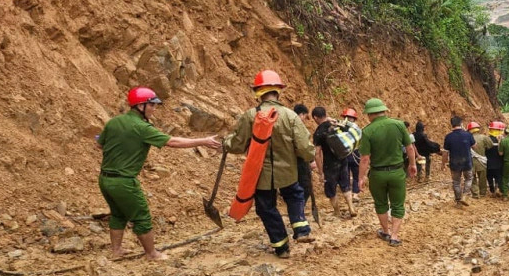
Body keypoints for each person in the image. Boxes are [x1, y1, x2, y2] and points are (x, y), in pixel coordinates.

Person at [98, 87, 221, 261]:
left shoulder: (113, 122)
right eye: (152, 105)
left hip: (104, 179)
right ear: (141, 106)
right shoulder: (142, 127)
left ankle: (116, 251)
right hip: (124, 182)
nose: (154, 109)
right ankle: (151, 253)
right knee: (142, 216)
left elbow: (100, 144)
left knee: (118, 214)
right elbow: (173, 141)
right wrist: (203, 141)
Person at [225, 70, 316, 258]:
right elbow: (305, 147)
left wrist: (225, 143)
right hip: (288, 172)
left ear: (258, 92)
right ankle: (301, 229)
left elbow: (237, 144)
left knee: (266, 208)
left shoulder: (250, 115)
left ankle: (281, 247)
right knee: (295, 195)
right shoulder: (290, 116)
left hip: (261, 175)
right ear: (278, 91)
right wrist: (308, 158)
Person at [358, 98, 417, 246]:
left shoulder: (367, 131)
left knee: (381, 203)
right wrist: (412, 164)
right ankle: (395, 236)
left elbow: (365, 158)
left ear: (370, 114)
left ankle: (386, 231)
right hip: (397, 172)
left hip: (378, 174)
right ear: (384, 111)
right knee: (398, 204)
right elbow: (409, 148)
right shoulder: (398, 125)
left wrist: (361, 178)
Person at [312, 106, 354, 219]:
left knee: (331, 189)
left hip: (329, 164)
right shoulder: (336, 124)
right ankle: (351, 207)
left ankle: (337, 212)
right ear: (325, 114)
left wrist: (321, 172)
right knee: (345, 185)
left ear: (315, 117)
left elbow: (317, 153)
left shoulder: (319, 132)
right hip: (343, 159)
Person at [441, 116, 476, 207]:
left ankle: (458, 201)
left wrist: (443, 164)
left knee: (456, 182)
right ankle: (465, 194)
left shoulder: (448, 137)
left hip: (454, 163)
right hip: (467, 162)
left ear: (452, 125)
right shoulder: (468, 135)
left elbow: (445, 153)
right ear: (461, 124)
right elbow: (474, 146)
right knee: (469, 178)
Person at [339, 108, 362, 207]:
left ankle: (355, 194)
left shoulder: (342, 128)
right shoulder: (355, 129)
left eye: (349, 118)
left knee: (354, 174)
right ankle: (352, 195)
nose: (348, 119)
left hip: (352, 153)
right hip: (348, 154)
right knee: (347, 175)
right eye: (347, 118)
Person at [467, 122, 489, 199]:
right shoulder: (484, 137)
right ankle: (483, 193)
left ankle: (475, 193)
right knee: (482, 177)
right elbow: (490, 145)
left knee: (472, 177)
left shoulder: (467, 138)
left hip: (470, 161)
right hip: (482, 161)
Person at [484, 121, 505, 196]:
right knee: (498, 177)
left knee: (489, 177)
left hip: (488, 163)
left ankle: (492, 190)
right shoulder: (501, 140)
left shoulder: (486, 139)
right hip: (499, 164)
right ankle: (497, 188)